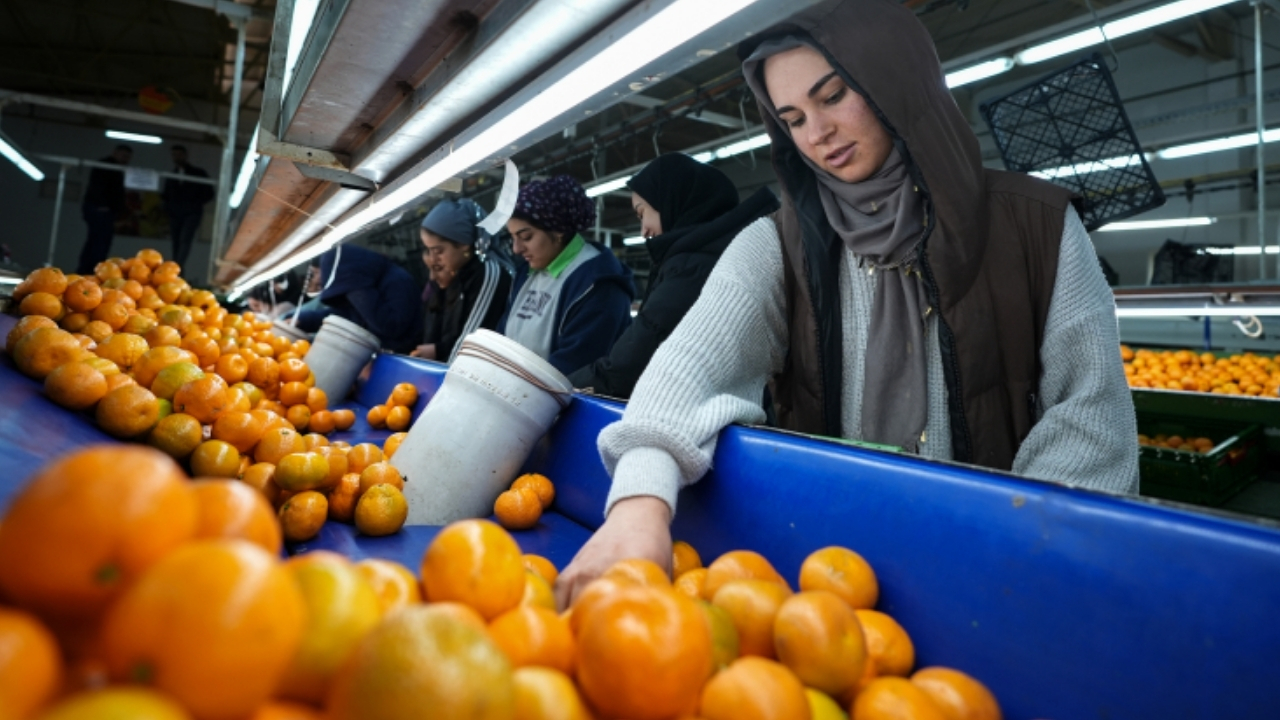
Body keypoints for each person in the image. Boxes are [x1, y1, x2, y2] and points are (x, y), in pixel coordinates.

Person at [555, 0, 1139, 606]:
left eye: (833, 96)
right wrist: (637, 507)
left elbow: (1091, 424)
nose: (817, 133)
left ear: (895, 82)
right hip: (828, 579)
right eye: (792, 118)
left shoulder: (1037, 228)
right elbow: (688, 371)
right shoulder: (776, 246)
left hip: (999, 577)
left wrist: (1006, 563)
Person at [566, 154, 779, 398]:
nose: (643, 229)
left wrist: (562, 388)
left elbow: (630, 366)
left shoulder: (693, 268)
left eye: (641, 213)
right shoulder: (712, 256)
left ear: (672, 202)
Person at [498, 175, 635, 375]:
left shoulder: (599, 285)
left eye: (526, 237)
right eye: (512, 238)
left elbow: (574, 369)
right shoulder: (525, 275)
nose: (516, 249)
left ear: (558, 229)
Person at [413, 198, 513, 362]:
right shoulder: (458, 274)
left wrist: (439, 351)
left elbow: (473, 342)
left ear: (463, 244)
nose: (433, 258)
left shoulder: (488, 273)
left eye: (438, 250)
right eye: (428, 250)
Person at [294, 244, 423, 354]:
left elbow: (391, 327)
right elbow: (344, 314)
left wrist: (358, 292)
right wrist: (302, 319)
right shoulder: (364, 284)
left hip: (406, 360)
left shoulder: (397, 281)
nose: (317, 279)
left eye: (316, 273)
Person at [77, 144, 131, 274]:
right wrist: (103, 206)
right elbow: (99, 187)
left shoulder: (117, 169)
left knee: (98, 241)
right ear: (115, 153)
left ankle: (90, 271)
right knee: (98, 243)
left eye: (127, 157)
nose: (125, 159)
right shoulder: (106, 166)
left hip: (103, 210)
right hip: (100, 209)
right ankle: (90, 271)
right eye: (123, 155)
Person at [162, 145, 215, 268]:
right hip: (175, 213)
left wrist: (195, 203)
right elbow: (166, 194)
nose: (177, 157)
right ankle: (175, 269)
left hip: (192, 213)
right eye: (174, 154)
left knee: (185, 240)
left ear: (185, 155)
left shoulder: (198, 173)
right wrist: (168, 207)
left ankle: (178, 267)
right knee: (176, 241)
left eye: (179, 154)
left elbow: (209, 193)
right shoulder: (172, 175)